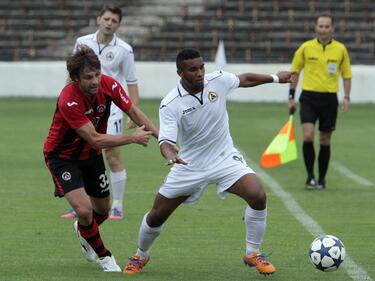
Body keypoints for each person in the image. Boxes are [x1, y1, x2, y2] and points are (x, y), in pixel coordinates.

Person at [123, 48, 292, 276]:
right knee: (156, 215)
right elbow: (165, 140)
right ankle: (140, 255)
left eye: (201, 67)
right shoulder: (170, 103)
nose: (200, 73)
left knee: (257, 194)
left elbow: (245, 80)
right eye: (193, 69)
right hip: (189, 165)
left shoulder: (218, 81)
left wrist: (275, 78)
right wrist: (169, 153)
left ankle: (253, 252)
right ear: (179, 72)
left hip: (224, 158)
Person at [43, 45, 158, 272]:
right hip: (62, 157)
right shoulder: (69, 99)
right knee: (85, 210)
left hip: (90, 156)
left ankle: (83, 229)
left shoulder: (109, 84)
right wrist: (132, 138)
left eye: (97, 74)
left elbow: (133, 111)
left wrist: (162, 140)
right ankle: (105, 257)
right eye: (88, 77)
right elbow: (95, 138)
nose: (95, 81)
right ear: (76, 78)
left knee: (102, 211)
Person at [62, 5, 139, 219]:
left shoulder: (125, 50)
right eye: (106, 19)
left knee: (112, 156)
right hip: (82, 107)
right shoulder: (82, 43)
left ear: (119, 24)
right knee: (80, 154)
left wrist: (133, 112)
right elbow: (71, 76)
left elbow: (132, 82)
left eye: (114, 20)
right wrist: (65, 99)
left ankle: (118, 205)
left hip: (111, 110)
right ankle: (80, 203)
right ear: (98, 19)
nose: (109, 23)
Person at [287, 14, 352, 190]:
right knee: (308, 135)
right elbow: (295, 72)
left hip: (329, 99)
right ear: (315, 28)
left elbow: (346, 75)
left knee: (325, 139)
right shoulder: (305, 48)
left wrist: (346, 97)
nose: (324, 29)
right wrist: (291, 98)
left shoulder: (340, 49)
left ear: (332, 29)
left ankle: (322, 179)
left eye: (327, 26)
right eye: (321, 26)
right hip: (308, 97)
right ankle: (310, 177)